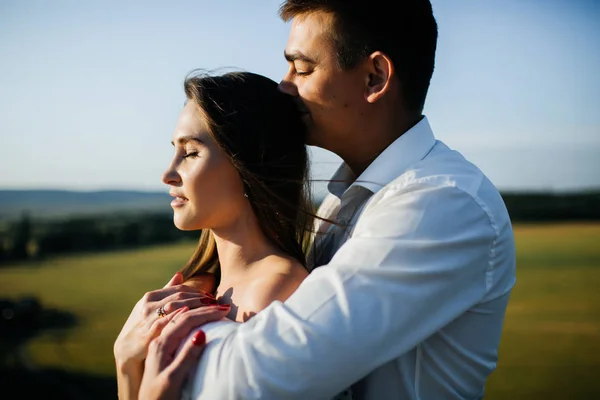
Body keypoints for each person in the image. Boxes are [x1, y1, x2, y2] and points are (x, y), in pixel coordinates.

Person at [139, 0, 517, 399]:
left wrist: (162, 331)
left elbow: (251, 379)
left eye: (302, 68)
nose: (285, 86)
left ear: (374, 77)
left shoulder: (441, 203)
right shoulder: (342, 201)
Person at [114, 70, 320, 400]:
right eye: (174, 151)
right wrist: (125, 360)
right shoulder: (199, 287)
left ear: (250, 165)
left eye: (191, 152)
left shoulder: (277, 295)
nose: (168, 174)